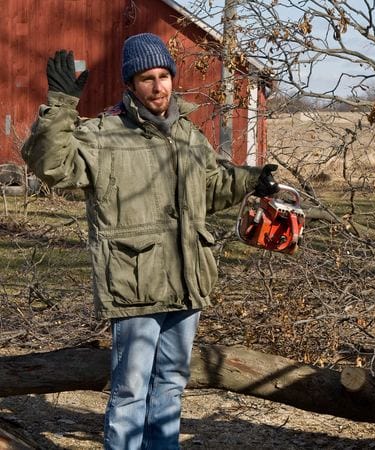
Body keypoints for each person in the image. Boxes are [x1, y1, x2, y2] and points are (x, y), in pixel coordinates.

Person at [22, 33, 279, 450]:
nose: (159, 86)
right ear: (130, 84)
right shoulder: (104, 135)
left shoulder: (187, 135)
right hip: (135, 284)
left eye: (164, 75)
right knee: (129, 391)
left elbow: (211, 187)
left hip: (186, 280)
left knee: (172, 384)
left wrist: (252, 180)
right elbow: (50, 163)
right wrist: (61, 105)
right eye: (147, 78)